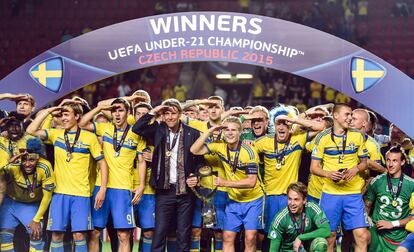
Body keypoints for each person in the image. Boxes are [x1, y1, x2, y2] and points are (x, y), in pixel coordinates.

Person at [26, 101, 109, 252]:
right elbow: (31, 130)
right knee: (57, 236)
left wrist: (102, 189)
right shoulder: (55, 134)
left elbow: (103, 163)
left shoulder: (89, 138)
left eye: (67, 114)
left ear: (77, 116)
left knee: (79, 236)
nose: (63, 118)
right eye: (62, 115)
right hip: (59, 194)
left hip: (81, 194)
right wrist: (50, 111)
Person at [132, 98, 205, 252]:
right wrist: (155, 111)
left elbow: (200, 161)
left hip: (185, 192)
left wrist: (196, 176)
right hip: (164, 191)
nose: (170, 117)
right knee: (159, 235)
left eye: (173, 113)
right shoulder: (159, 129)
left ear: (180, 114)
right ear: (163, 115)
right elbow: (137, 128)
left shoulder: (192, 133)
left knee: (183, 235)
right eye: (166, 113)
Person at [79, 98, 147, 252]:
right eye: (114, 110)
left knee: (123, 235)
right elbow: (82, 123)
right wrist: (98, 108)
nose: (117, 114)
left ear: (128, 113)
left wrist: (141, 185)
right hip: (100, 187)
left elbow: (142, 161)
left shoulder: (136, 134)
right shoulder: (105, 128)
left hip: (122, 189)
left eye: (120, 110)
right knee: (94, 232)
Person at [190, 116, 263, 252]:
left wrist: (225, 183)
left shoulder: (249, 151)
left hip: (253, 200)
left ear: (240, 132)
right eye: (227, 130)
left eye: (234, 130)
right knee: (227, 236)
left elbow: (251, 182)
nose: (230, 133)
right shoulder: (220, 147)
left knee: (250, 237)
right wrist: (210, 131)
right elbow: (194, 150)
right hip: (233, 200)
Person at [254, 105, 324, 236]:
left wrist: (295, 119)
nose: (281, 127)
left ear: (291, 125)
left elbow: (320, 127)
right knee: (270, 235)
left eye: (285, 123)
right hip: (270, 196)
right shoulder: (264, 142)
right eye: (278, 123)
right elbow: (247, 151)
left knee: (291, 234)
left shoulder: (298, 138)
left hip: (291, 197)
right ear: (273, 126)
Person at [311, 103, 371, 252]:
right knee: (329, 237)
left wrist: (356, 169)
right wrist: (328, 174)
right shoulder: (322, 138)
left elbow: (364, 163)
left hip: (353, 194)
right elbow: (314, 168)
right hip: (330, 194)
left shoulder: (357, 135)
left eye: (351, 115)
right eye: (347, 114)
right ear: (335, 116)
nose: (350, 118)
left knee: (362, 236)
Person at [0, 138, 55, 252]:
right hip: (10, 203)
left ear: (38, 157)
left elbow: (47, 196)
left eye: (32, 160)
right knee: (4, 237)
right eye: (24, 160)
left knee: (36, 235)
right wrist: (9, 162)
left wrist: (37, 219)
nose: (27, 164)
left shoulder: (45, 166)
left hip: (31, 204)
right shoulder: (14, 165)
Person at [366, 145, 414, 251]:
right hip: (377, 233)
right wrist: (367, 217)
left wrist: (392, 224)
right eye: (388, 160)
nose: (390, 164)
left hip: (400, 236)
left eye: (395, 161)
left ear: (402, 162)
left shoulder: (411, 185)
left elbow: (413, 217)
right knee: (362, 235)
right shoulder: (377, 182)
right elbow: (367, 206)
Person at [268, 182, 330, 251]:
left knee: (320, 244)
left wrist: (301, 237)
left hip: (308, 249)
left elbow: (326, 230)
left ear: (304, 200)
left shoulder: (312, 208)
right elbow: (273, 250)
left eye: (296, 199)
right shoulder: (281, 218)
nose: (292, 203)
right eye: (289, 199)